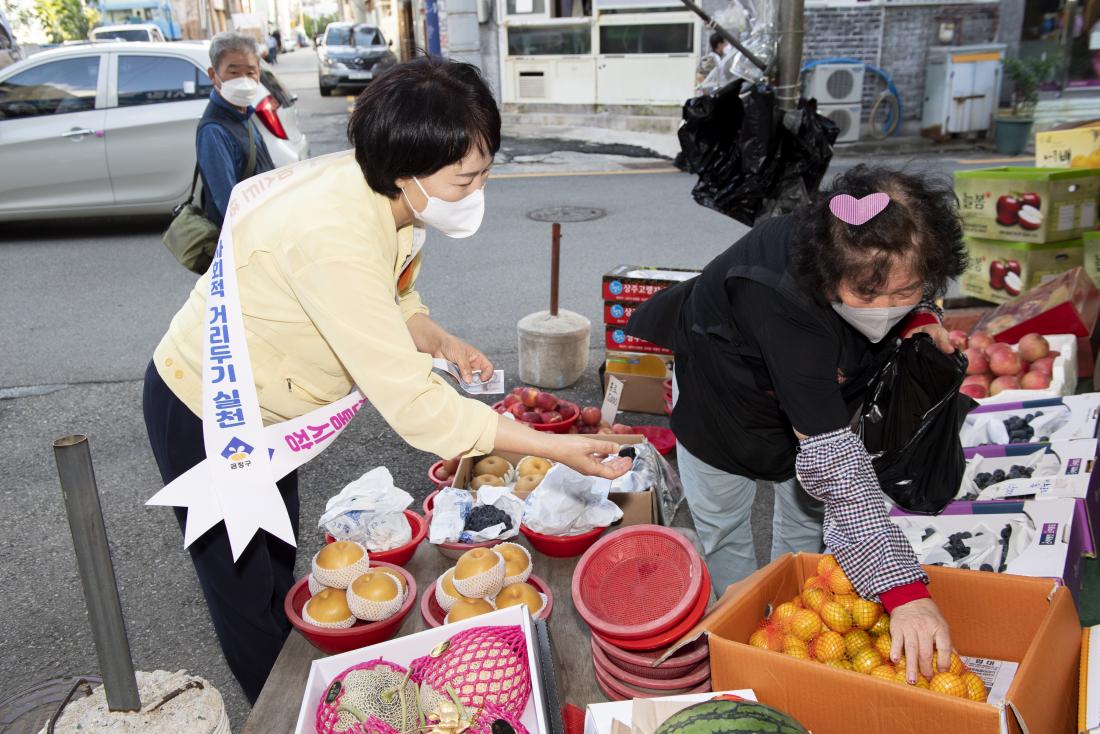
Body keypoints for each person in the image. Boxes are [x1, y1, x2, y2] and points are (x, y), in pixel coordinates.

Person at [143, 56, 630, 704]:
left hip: (275, 407)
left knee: (277, 562)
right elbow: (415, 406)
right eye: (467, 178)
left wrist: (436, 335)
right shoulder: (335, 234)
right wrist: (558, 447)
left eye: (484, 173)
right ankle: (283, 710)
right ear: (407, 169)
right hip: (211, 405)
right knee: (243, 590)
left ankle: (300, 685)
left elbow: (394, 291)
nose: (478, 192)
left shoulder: (384, 193)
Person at [627, 166, 967, 684]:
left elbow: (896, 291)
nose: (886, 309)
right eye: (869, 296)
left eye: (907, 291)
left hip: (816, 395)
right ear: (828, 274)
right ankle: (747, 634)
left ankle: (797, 616)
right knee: (723, 525)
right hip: (725, 402)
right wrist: (904, 592)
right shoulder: (785, 306)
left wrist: (917, 316)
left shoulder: (863, 254)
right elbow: (837, 468)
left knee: (807, 524)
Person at [197, 32, 275, 229]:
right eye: (233, 73)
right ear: (213, 75)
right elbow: (228, 203)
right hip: (243, 238)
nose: (243, 80)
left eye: (250, 72)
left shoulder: (243, 115)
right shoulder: (214, 130)